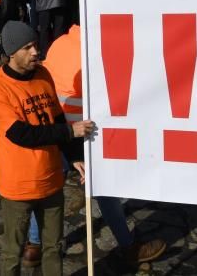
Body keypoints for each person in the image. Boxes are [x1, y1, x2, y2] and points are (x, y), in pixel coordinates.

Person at [40, 25, 167, 265]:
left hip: (57, 129)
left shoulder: (58, 44)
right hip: (87, 133)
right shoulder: (96, 52)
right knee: (105, 191)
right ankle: (128, 247)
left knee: (48, 189)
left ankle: (34, 245)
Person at [0, 21, 95, 276]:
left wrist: (73, 154)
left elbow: (55, 117)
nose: (36, 51)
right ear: (12, 52)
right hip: (18, 188)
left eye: (35, 44)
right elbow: (21, 134)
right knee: (13, 253)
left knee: (54, 247)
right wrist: (71, 131)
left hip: (51, 181)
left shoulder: (44, 74)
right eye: (28, 47)